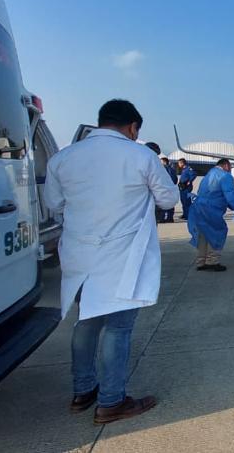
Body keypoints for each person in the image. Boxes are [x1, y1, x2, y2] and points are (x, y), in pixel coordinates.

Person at [44, 99, 177, 424]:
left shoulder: (63, 158)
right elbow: (169, 198)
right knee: (118, 328)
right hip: (121, 257)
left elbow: (53, 203)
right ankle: (111, 400)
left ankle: (83, 391)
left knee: (86, 321)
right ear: (133, 127)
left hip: (78, 254)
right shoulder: (140, 155)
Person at [187, 158, 234, 272]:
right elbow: (230, 196)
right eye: (230, 167)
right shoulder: (225, 176)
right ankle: (212, 261)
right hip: (211, 209)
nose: (230, 170)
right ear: (226, 165)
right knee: (217, 232)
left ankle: (201, 261)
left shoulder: (209, 174)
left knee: (203, 234)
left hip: (199, 207)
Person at [159, 157, 178, 223]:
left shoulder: (162, 169)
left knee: (162, 204)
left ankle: (161, 218)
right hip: (171, 189)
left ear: (164, 162)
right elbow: (175, 180)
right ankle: (170, 218)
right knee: (170, 203)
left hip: (163, 189)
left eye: (161, 161)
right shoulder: (172, 169)